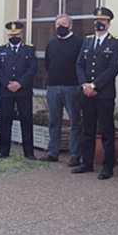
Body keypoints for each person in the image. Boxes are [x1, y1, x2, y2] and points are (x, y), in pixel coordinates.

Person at [72, 7, 118, 180]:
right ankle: (87, 163)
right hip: (86, 93)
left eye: (102, 21)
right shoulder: (87, 41)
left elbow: (113, 69)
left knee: (107, 131)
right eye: (96, 20)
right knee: (87, 129)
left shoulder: (115, 43)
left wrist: (94, 85)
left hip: (104, 94)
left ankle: (108, 167)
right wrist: (84, 84)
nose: (98, 23)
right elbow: (79, 64)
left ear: (108, 23)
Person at [40, 14, 84, 164]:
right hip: (53, 87)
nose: (60, 27)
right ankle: (53, 152)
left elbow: (81, 65)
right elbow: (47, 63)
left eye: (64, 24)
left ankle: (75, 154)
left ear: (70, 26)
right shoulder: (51, 43)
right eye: (58, 24)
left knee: (75, 122)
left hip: (72, 87)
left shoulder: (79, 42)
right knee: (54, 121)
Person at [0, 21, 38, 160]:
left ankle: (29, 152)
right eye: (11, 34)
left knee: (26, 120)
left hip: (23, 91)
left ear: (21, 34)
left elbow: (33, 69)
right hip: (6, 91)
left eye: (16, 34)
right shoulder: (1, 50)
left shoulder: (29, 49)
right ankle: (3, 151)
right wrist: (7, 83)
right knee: (5, 120)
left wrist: (20, 83)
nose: (14, 36)